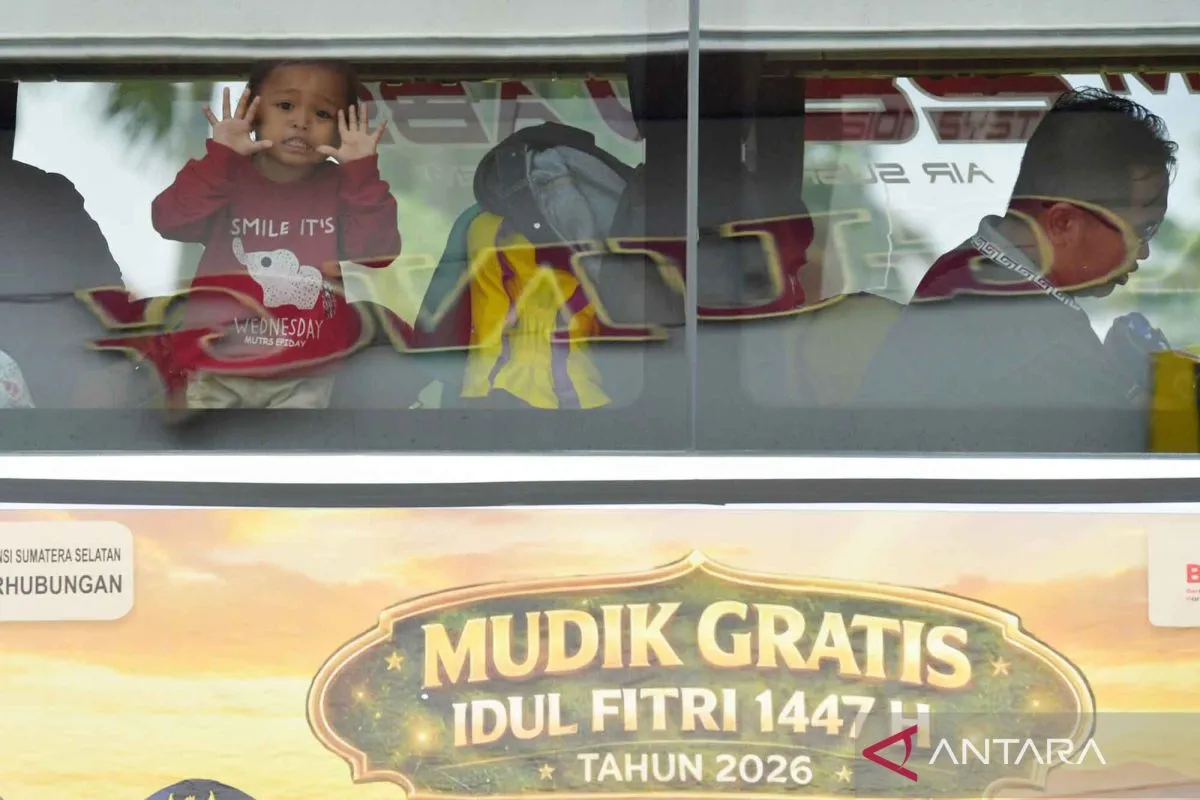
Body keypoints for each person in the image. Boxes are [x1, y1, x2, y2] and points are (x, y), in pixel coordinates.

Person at [853, 87, 1177, 453]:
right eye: (1142, 230)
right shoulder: (1040, 339)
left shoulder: (965, 269)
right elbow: (1137, 463)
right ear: (1064, 224)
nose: (1144, 251)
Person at [150, 59, 401, 411]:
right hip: (215, 362)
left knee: (294, 448)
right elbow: (170, 220)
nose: (301, 121)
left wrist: (361, 173)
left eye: (323, 113)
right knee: (208, 446)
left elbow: (377, 252)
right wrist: (220, 157)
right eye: (285, 105)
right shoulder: (225, 175)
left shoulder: (343, 187)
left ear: (340, 130)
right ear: (253, 113)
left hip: (305, 369)